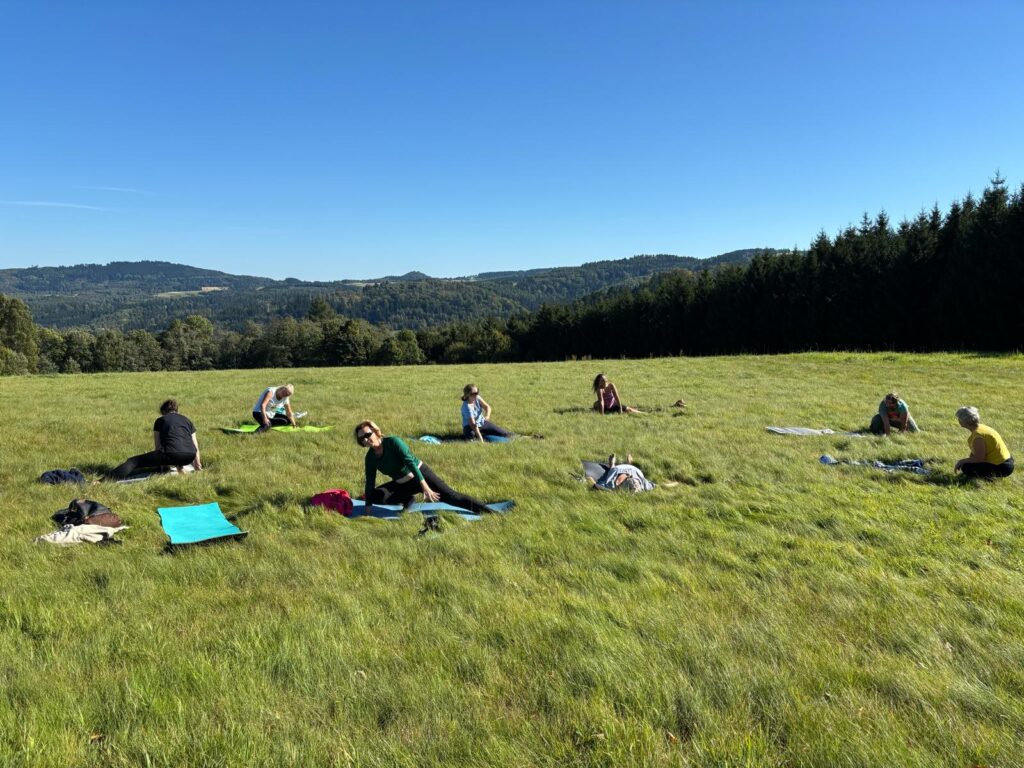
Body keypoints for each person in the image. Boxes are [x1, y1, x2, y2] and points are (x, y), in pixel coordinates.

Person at [356, 420, 493, 513]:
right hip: (402, 485)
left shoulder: (393, 442)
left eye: (368, 434)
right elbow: (370, 482)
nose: (366, 439)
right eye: (362, 438)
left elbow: (411, 463)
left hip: (421, 475)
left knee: (452, 498)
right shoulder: (370, 458)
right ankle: (408, 499)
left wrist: (426, 487)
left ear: (376, 432)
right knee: (374, 495)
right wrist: (368, 506)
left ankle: (489, 512)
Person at [105, 399, 201, 480]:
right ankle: (180, 467)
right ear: (177, 411)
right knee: (176, 452)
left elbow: (158, 447)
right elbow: (195, 445)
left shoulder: (160, 420)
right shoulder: (188, 421)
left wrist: (162, 465)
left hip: (170, 454)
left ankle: (103, 481)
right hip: (190, 456)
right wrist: (197, 466)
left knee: (133, 461)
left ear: (163, 412)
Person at [954, 406, 1014, 479]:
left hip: (1002, 467)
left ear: (965, 421)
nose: (958, 420)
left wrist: (961, 461)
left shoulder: (978, 437)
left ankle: (989, 479)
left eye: (959, 418)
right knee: (968, 463)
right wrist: (968, 460)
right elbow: (976, 453)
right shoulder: (981, 427)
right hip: (1007, 461)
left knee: (966, 467)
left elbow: (979, 459)